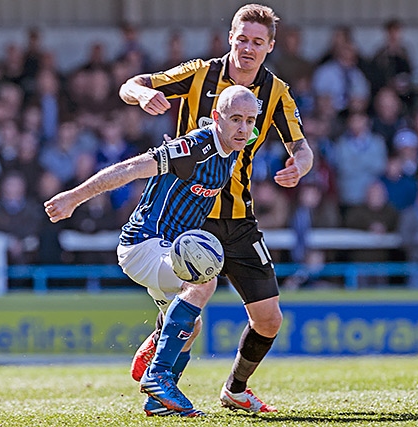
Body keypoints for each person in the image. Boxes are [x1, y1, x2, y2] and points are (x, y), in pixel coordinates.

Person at [118, 3, 313, 415]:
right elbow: (131, 83)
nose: (248, 47)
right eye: (241, 38)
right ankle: (161, 382)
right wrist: (143, 94)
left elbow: (301, 143)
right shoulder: (199, 73)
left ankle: (235, 389)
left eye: (257, 42)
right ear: (230, 37)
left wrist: (301, 165)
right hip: (191, 214)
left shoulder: (276, 91)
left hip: (240, 220)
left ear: (270, 46)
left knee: (269, 319)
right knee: (194, 301)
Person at [45, 85, 260, 417]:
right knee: (202, 282)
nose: (243, 128)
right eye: (235, 120)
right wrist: (73, 197)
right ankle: (158, 374)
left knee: (192, 326)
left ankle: (157, 399)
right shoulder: (191, 149)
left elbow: (262, 122)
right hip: (144, 244)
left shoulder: (237, 139)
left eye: (249, 121)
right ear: (217, 118)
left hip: (165, 249)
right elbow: (130, 169)